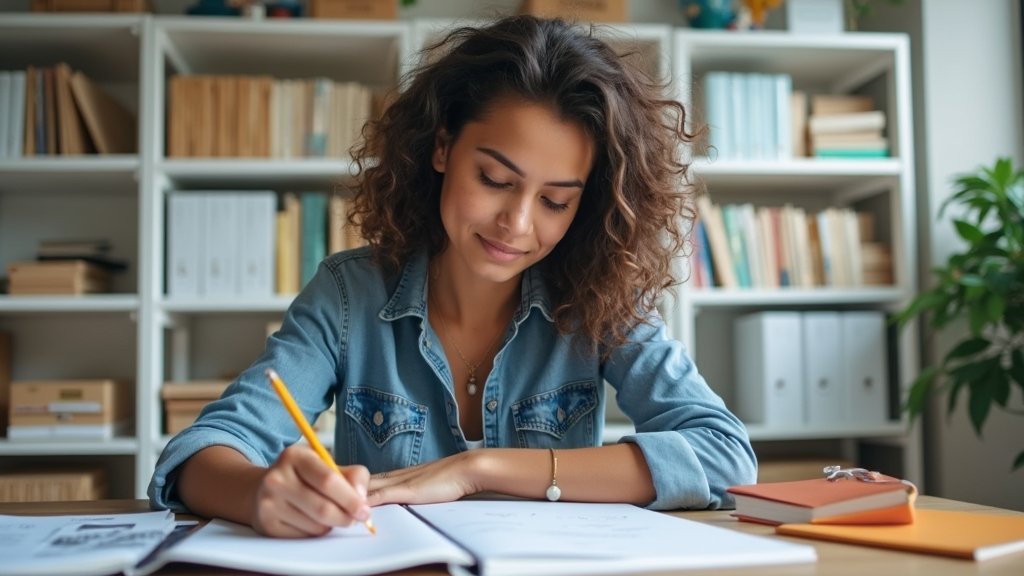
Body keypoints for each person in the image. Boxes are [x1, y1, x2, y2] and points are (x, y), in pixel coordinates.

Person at [149, 14, 757, 538]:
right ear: (443, 148)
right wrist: (259, 493)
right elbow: (199, 455)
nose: (516, 224)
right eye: (495, 180)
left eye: (555, 201)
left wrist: (478, 470)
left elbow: (727, 457)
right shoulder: (347, 294)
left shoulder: (601, 297)